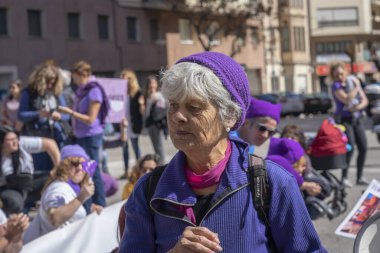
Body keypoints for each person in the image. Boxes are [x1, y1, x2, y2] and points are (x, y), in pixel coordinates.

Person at [118, 52, 326, 252]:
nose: (178, 116)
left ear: (229, 116)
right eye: (173, 105)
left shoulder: (272, 183)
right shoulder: (149, 190)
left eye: (194, 107)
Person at [58, 60, 109, 212]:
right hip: (82, 136)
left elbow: (91, 119)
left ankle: (101, 204)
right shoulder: (82, 90)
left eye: (74, 76)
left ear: (81, 75)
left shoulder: (94, 90)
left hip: (91, 136)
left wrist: (71, 113)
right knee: (86, 172)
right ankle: (90, 204)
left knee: (93, 170)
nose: (73, 80)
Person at [23, 145, 102, 243]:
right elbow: (55, 219)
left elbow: (70, 219)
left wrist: (91, 215)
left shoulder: (71, 188)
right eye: (75, 164)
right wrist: (81, 198)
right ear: (64, 166)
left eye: (83, 164)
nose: (80, 168)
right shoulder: (58, 189)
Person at [0, 125, 60, 215]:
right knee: (11, 201)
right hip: (10, 189)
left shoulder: (22, 142)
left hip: (30, 182)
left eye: (16, 138)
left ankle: (54, 215)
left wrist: (57, 168)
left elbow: (50, 143)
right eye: (10, 140)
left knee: (58, 180)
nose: (15, 142)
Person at [329, 62, 369, 186]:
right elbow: (347, 98)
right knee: (350, 147)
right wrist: (357, 87)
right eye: (337, 75)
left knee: (363, 147)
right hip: (344, 120)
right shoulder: (336, 86)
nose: (340, 77)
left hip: (356, 118)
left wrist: (357, 108)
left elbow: (365, 100)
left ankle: (360, 176)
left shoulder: (351, 82)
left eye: (341, 74)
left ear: (345, 72)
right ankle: (344, 177)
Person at [119, 69, 144, 179]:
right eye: (122, 77)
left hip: (133, 124)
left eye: (127, 78)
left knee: (135, 147)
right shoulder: (119, 93)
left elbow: (141, 112)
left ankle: (140, 169)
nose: (124, 80)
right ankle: (126, 171)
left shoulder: (138, 92)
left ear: (131, 79)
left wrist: (142, 105)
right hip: (123, 124)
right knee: (124, 148)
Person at [144, 75, 167, 165]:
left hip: (158, 124)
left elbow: (163, 107)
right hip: (150, 123)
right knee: (155, 146)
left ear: (156, 84)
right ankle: (159, 163)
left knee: (159, 145)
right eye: (150, 83)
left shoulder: (159, 95)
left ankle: (162, 164)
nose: (152, 85)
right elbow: (146, 112)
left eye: (153, 83)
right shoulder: (147, 96)